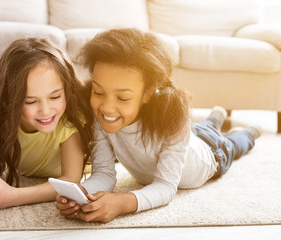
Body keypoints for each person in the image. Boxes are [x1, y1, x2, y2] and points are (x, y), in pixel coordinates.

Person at [55, 28, 262, 223]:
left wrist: (123, 203)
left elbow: (165, 186)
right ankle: (215, 118)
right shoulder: (101, 113)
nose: (107, 108)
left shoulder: (172, 118)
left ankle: (247, 133)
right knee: (202, 129)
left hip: (212, 153)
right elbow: (103, 173)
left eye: (123, 98)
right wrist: (81, 193)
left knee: (232, 144)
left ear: (147, 94)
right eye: (98, 92)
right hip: (189, 140)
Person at [0, 38, 92, 211]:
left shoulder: (71, 119)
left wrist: (13, 197)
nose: (46, 111)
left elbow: (70, 180)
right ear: (9, 101)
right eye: (31, 101)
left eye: (55, 97)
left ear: (66, 91)